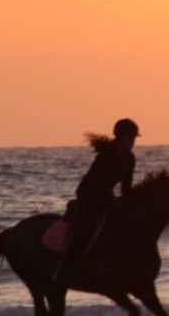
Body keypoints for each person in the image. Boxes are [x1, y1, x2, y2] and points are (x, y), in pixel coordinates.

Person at [53, 118, 140, 285]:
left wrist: (132, 202)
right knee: (85, 227)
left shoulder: (130, 158)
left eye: (134, 139)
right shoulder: (107, 154)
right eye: (131, 138)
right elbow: (100, 182)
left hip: (107, 197)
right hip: (89, 195)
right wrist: (112, 201)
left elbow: (126, 187)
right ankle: (65, 268)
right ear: (121, 137)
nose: (133, 142)